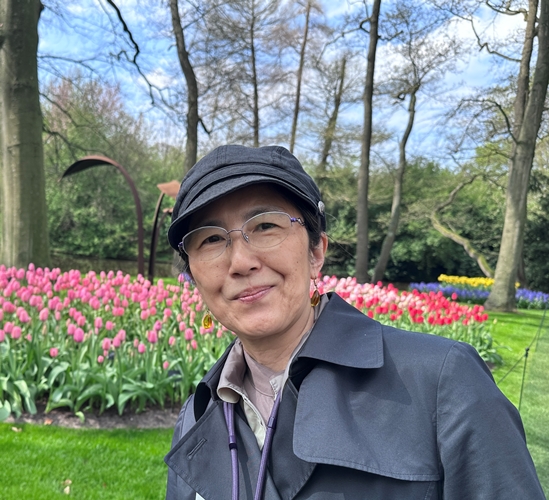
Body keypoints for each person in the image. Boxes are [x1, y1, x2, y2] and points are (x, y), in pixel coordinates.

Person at [164, 145, 545, 500]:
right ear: (193, 275)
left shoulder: (442, 384)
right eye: (210, 239)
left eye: (265, 226)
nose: (240, 262)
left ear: (316, 251)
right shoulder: (198, 417)